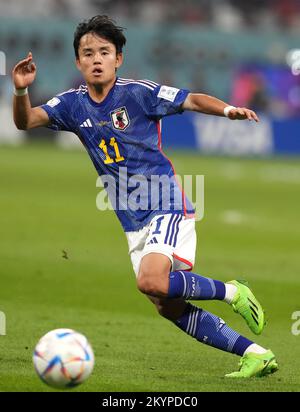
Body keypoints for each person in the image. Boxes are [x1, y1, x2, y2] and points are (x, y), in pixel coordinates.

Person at [12, 15, 278, 378]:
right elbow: (25, 122)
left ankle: (232, 291)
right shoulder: (72, 104)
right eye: (87, 53)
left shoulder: (138, 93)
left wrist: (228, 109)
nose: (96, 59)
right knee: (166, 305)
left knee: (150, 280)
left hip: (164, 203)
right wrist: (21, 90)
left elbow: (191, 99)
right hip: (131, 221)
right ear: (78, 62)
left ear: (118, 58)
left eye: (104, 52)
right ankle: (256, 354)